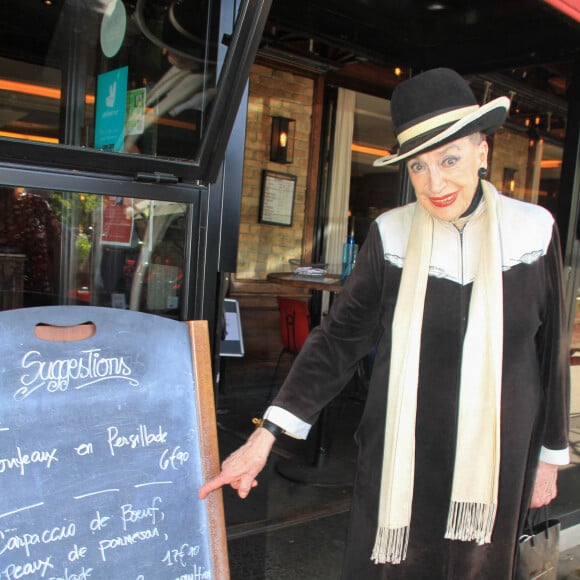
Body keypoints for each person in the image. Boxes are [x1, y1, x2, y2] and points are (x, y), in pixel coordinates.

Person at [199, 68, 570, 578]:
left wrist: (548, 458)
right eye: (419, 167)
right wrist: (263, 440)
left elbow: (549, 355)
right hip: (403, 457)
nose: (435, 183)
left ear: (482, 152)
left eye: (450, 159)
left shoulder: (534, 231)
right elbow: (336, 342)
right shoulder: (390, 235)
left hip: (498, 459)